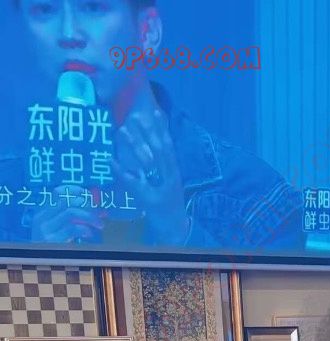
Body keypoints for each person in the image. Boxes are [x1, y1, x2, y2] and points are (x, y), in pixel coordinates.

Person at [3, 0, 304, 250]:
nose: (69, 33)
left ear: (148, 31)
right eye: (45, 9)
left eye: (93, 7)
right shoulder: (8, 193)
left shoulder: (258, 198)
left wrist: (177, 233)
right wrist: (31, 269)